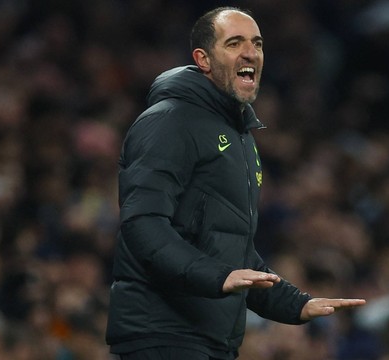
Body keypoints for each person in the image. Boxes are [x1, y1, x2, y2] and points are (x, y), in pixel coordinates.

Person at [105, 6, 366, 360]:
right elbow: (143, 224)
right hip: (163, 334)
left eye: (257, 43)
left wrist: (296, 305)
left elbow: (234, 255)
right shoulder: (169, 121)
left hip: (212, 340)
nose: (250, 52)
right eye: (234, 43)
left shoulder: (240, 137)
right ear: (204, 59)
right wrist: (215, 276)